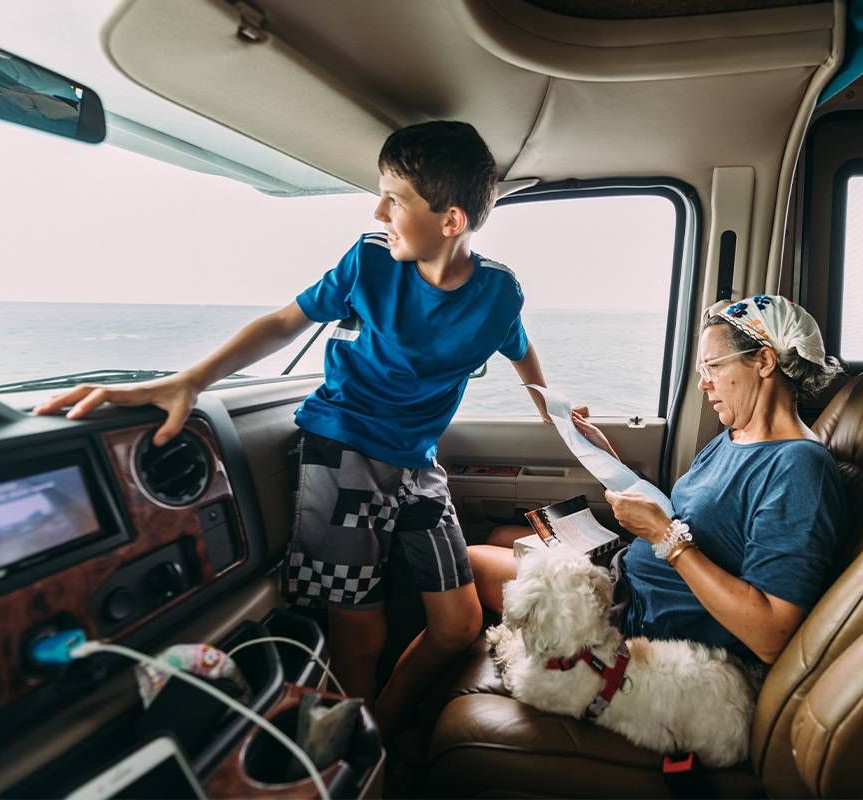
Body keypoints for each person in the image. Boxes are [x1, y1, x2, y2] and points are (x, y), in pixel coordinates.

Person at [34, 120, 556, 733]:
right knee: (360, 626)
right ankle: (359, 747)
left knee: (458, 627)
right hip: (342, 450)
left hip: (419, 464)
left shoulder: (499, 293)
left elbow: (518, 349)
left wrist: (560, 418)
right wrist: (192, 380)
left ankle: (381, 724)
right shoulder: (369, 262)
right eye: (380, 191)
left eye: (397, 197)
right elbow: (285, 321)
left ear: (452, 221)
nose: (378, 208)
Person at [471, 295, 847, 664]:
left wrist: (667, 538)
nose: (703, 384)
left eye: (712, 367)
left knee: (473, 561)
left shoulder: (798, 469)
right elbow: (689, 518)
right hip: (627, 577)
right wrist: (608, 457)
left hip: (635, 616)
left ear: (764, 361)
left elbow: (771, 633)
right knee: (500, 537)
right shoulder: (735, 437)